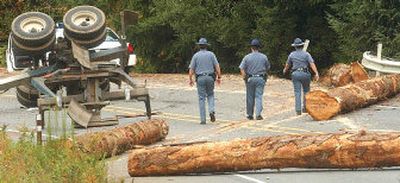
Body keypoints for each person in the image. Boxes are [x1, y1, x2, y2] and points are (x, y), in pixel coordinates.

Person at [189, 38, 222, 124]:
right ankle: (211, 110)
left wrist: (190, 79)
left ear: (199, 46)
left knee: (201, 98)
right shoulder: (211, 54)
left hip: (200, 78)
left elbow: (191, 69)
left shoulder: (195, 56)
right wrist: (219, 76)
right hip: (210, 77)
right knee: (210, 95)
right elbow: (217, 66)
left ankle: (203, 120)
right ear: (206, 46)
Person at [283, 38, 319, 115]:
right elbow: (312, 64)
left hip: (295, 74)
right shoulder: (306, 54)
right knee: (306, 91)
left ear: (295, 47)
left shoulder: (292, 54)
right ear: (302, 46)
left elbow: (288, 64)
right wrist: (316, 73)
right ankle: (305, 108)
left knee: (297, 92)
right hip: (305, 74)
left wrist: (285, 70)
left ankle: (298, 109)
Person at [239, 39, 270, 120]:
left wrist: (244, 78)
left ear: (251, 47)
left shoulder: (247, 57)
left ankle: (250, 114)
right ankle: (258, 114)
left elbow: (241, 68)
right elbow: (268, 67)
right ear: (259, 47)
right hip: (260, 78)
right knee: (259, 96)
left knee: (250, 97)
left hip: (250, 78)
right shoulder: (264, 57)